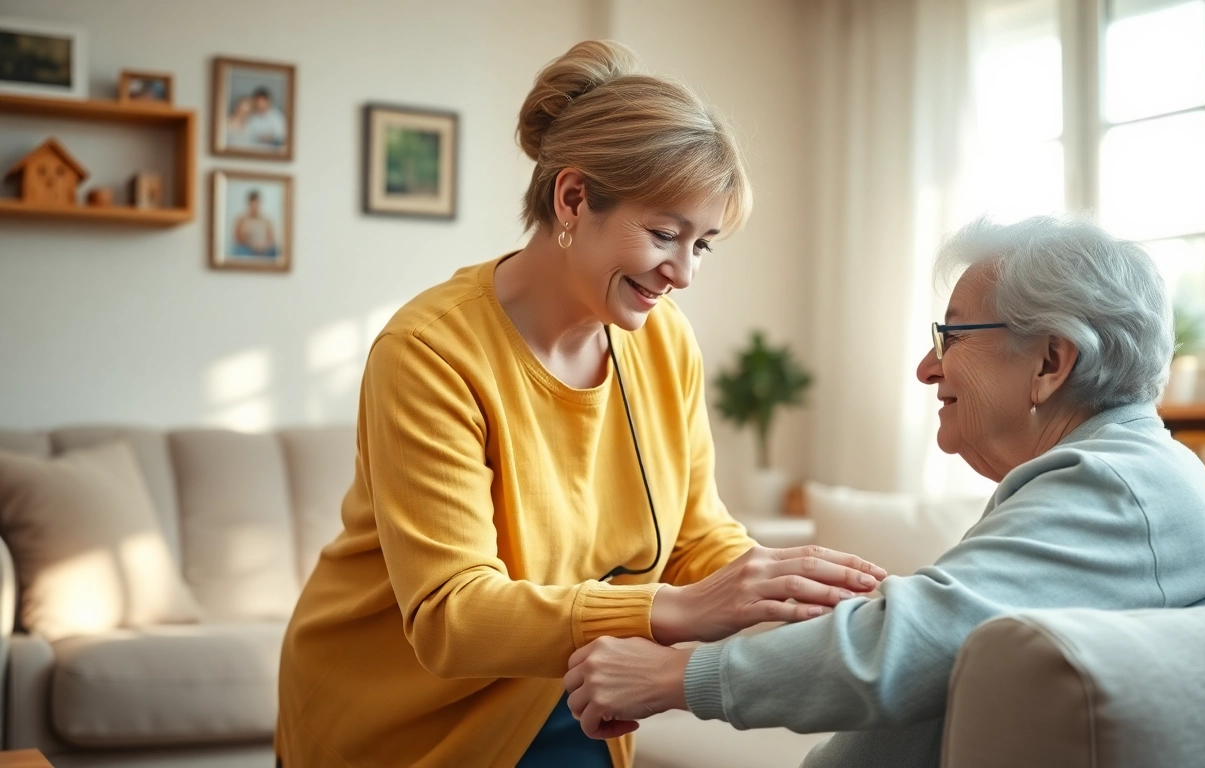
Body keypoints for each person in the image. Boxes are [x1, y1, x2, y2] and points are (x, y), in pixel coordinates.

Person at [274, 40, 885, 768]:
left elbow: (691, 535)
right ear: (572, 199)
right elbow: (452, 616)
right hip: (397, 721)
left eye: (703, 245)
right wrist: (676, 610)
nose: (683, 273)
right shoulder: (429, 352)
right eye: (664, 234)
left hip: (571, 688)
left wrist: (787, 588)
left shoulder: (662, 343)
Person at [564, 215, 1205, 766]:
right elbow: (940, 648)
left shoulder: (1117, 485)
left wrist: (673, 675)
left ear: (1051, 362)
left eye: (952, 337)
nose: (924, 369)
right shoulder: (1114, 474)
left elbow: (911, 643)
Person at [231, 190, 277, 257]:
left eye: (257, 204)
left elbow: (271, 239)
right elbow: (237, 238)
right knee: (240, 251)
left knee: (275, 250)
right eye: (253, 205)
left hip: (263, 249)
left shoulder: (266, 220)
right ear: (249, 204)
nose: (255, 207)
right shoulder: (241, 219)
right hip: (247, 248)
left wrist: (264, 245)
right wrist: (251, 244)